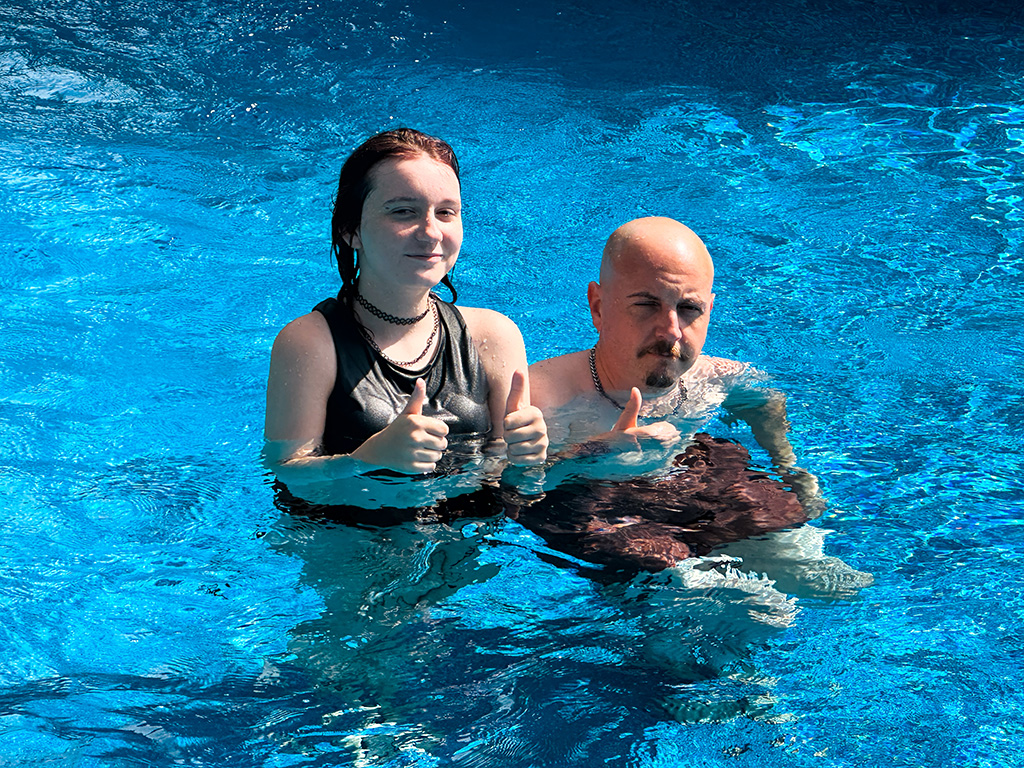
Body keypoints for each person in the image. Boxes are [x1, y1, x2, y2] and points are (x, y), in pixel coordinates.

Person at [264, 128, 547, 502]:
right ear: (351, 230)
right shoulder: (311, 343)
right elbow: (287, 474)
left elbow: (508, 475)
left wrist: (528, 454)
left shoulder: (493, 335)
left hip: (467, 544)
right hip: (354, 545)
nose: (431, 233)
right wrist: (366, 461)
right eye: (403, 212)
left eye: (446, 212)